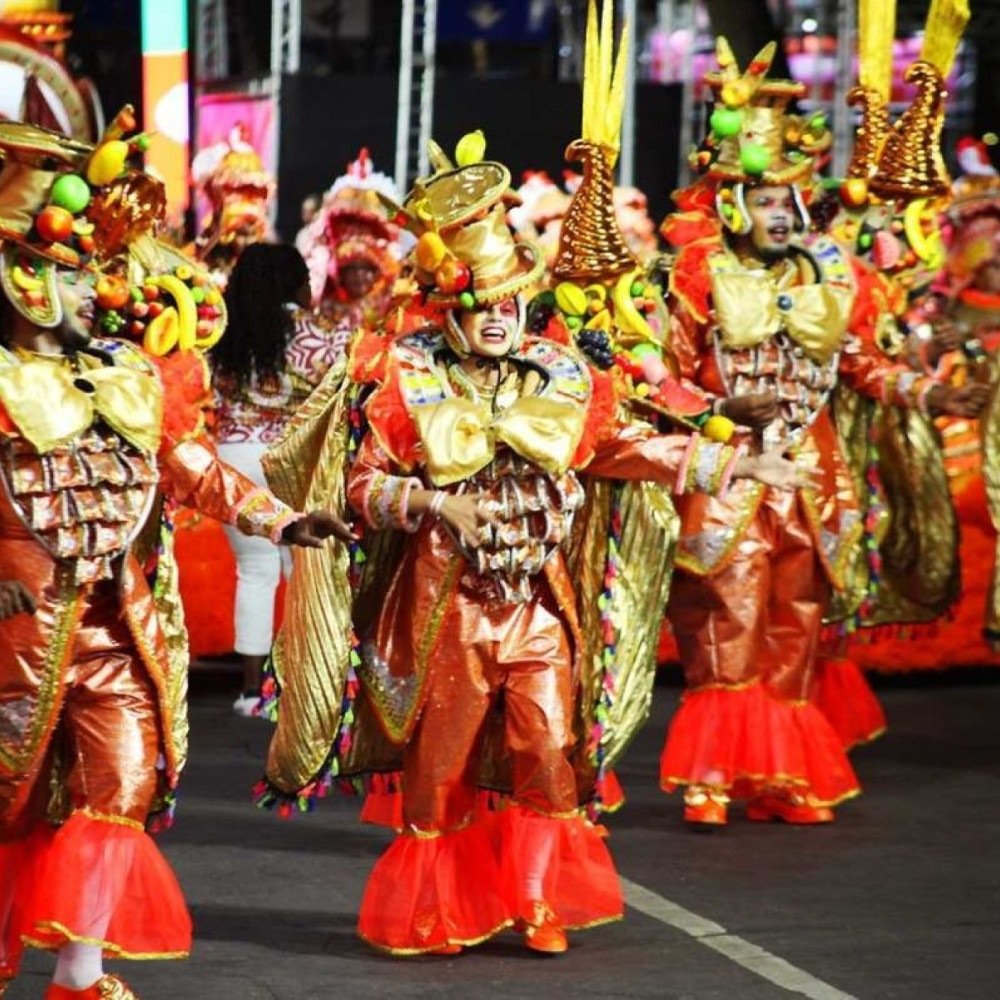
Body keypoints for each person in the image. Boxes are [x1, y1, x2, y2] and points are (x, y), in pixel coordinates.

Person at [255, 8, 809, 951]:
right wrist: (435, 500)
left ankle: (541, 899)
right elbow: (360, 488)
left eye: (511, 302)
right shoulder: (409, 378)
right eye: (481, 304)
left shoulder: (563, 374)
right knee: (439, 769)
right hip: (447, 608)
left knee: (550, 748)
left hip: (539, 603)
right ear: (450, 308)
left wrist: (729, 460)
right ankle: (435, 906)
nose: (499, 317)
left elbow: (624, 446)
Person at [0, 115, 349, 1000]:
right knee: (7, 805)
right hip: (14, 634)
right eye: (74, 273)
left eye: (96, 272)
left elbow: (191, 466)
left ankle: (79, 973)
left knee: (120, 787)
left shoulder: (129, 375)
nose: (97, 291)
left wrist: (281, 520)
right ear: (24, 279)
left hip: (118, 629)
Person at [657, 39, 987, 828]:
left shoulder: (826, 276)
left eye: (788, 199)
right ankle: (712, 777)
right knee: (728, 618)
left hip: (811, 476)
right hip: (732, 474)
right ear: (732, 206)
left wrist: (937, 393)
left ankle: (780, 774)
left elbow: (863, 366)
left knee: (795, 623)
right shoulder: (697, 276)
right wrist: (721, 412)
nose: (781, 212)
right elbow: (661, 380)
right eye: (765, 199)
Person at [212, 242, 349, 714]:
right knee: (302, 573)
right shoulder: (321, 333)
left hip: (233, 456)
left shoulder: (221, 332)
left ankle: (251, 692)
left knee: (253, 572)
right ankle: (301, 686)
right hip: (292, 461)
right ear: (294, 283)